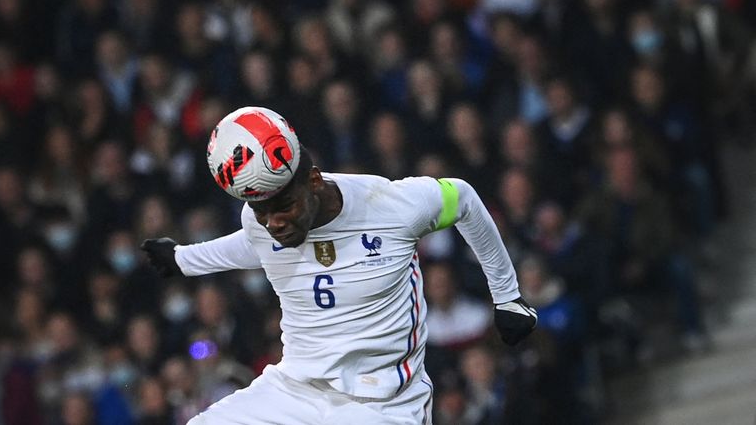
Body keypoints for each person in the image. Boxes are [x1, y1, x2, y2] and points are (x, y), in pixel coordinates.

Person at [141, 106, 536, 424]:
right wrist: (181, 259)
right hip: (296, 388)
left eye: (283, 207)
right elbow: (251, 246)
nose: (273, 223)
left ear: (314, 182)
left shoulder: (392, 206)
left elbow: (463, 199)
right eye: (261, 212)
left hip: (383, 403)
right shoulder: (262, 224)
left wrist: (507, 296)